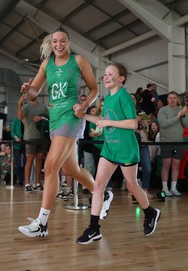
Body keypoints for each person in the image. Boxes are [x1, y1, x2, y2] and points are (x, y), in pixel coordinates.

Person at [17, 28, 112, 238]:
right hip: (55, 119)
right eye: (55, 41)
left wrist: (85, 104)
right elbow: (35, 90)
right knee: (72, 170)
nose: (58, 45)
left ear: (68, 42)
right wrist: (27, 90)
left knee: (51, 166)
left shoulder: (78, 60)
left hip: (72, 117)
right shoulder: (46, 64)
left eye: (62, 41)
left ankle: (42, 223)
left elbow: (94, 89)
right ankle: (103, 194)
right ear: (51, 44)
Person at [75, 63, 160, 245]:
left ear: (121, 78)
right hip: (110, 148)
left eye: (110, 74)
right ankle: (93, 229)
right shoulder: (108, 99)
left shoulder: (124, 97)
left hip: (126, 149)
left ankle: (150, 213)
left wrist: (108, 123)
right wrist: (84, 116)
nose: (105, 77)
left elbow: (133, 124)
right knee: (98, 186)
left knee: (132, 186)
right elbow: (103, 120)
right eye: (104, 74)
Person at [157, 91, 188, 196]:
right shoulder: (162, 110)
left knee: (176, 165)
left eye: (174, 98)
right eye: (170, 98)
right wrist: (177, 117)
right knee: (166, 164)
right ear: (167, 100)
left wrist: (183, 115)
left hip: (178, 142)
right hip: (166, 141)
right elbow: (163, 123)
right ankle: (165, 188)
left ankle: (173, 188)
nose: (172, 100)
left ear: (177, 99)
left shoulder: (181, 111)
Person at [17, 94, 49, 192]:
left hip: (42, 136)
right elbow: (19, 117)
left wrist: (42, 118)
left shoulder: (44, 107)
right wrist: (19, 103)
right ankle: (27, 183)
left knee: (39, 159)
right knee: (29, 160)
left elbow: (49, 118)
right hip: (30, 137)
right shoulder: (26, 107)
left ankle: (37, 183)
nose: (31, 95)